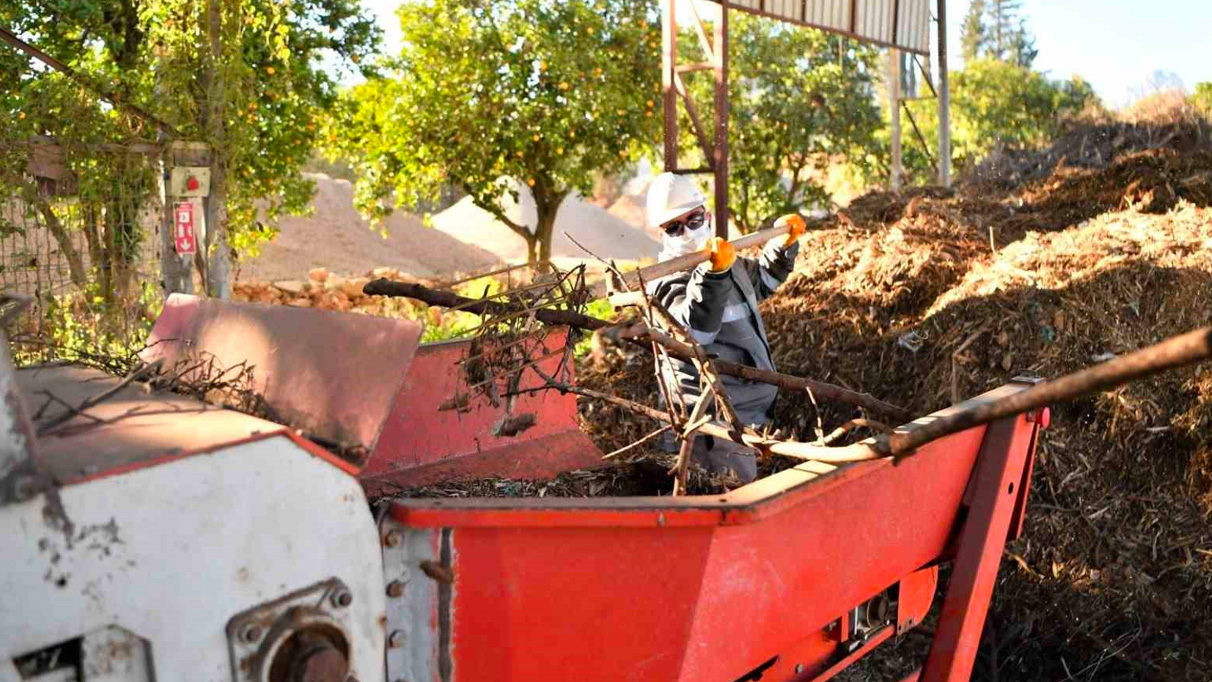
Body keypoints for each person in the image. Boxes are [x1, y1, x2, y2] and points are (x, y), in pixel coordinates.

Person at [644, 172, 805, 482]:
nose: (688, 232)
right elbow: (695, 333)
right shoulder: (664, 283)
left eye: (693, 220)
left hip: (743, 413)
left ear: (707, 215)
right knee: (728, 500)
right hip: (709, 425)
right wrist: (713, 276)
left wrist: (782, 244)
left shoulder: (726, 264)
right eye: (675, 227)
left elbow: (763, 281)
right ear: (662, 233)